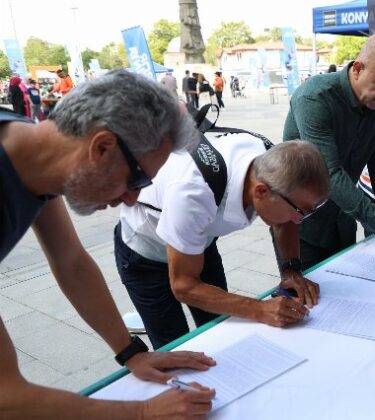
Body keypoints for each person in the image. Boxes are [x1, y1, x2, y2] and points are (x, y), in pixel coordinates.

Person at [0, 70, 217, 417]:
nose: (131, 200)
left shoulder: (30, 152)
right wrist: (141, 412)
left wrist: (130, 351)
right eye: (138, 179)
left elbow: (71, 260)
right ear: (101, 147)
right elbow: (7, 398)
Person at [116, 138, 329, 349]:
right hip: (146, 255)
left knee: (220, 330)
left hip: (198, 240)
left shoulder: (272, 164)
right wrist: (260, 309)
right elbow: (184, 286)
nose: (298, 221)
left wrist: (291, 269)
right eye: (299, 212)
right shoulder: (194, 192)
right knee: (175, 348)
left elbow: (287, 217)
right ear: (261, 192)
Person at [283, 32, 375, 270]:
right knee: (305, 299)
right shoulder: (315, 97)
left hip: (342, 220)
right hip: (300, 226)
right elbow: (330, 173)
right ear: (358, 68)